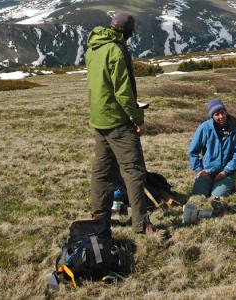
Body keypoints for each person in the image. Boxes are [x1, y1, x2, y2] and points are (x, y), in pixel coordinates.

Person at [86, 12, 156, 235]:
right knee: (134, 172)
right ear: (127, 32)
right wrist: (137, 117)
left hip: (99, 119)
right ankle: (141, 224)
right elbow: (122, 91)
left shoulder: (94, 47)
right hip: (118, 121)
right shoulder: (116, 50)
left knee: (102, 172)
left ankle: (99, 219)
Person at [188, 99, 236, 197]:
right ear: (212, 116)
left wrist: (226, 171)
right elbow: (193, 151)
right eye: (217, 114)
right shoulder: (204, 128)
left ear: (225, 112)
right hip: (207, 171)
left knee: (216, 197)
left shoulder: (235, 127)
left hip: (226, 172)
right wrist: (199, 170)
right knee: (198, 196)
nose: (221, 116)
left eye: (222, 113)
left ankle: (228, 185)